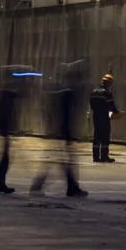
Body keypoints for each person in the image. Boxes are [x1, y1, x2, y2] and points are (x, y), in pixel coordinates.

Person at [30, 64, 88, 197]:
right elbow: (66, 115)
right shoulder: (68, 93)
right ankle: (68, 187)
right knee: (63, 161)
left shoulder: (62, 91)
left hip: (59, 132)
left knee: (59, 161)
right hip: (63, 132)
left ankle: (69, 186)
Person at [0, 72, 19, 195]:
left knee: (5, 158)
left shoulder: (5, 96)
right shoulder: (6, 96)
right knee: (5, 158)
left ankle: (0, 184)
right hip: (4, 130)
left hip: (4, 129)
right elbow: (4, 115)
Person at [88, 73, 119, 162]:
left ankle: (96, 157)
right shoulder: (106, 93)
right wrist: (117, 113)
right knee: (105, 137)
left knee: (97, 136)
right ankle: (104, 156)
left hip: (96, 116)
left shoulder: (94, 91)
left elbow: (91, 103)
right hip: (104, 117)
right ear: (109, 83)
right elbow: (111, 106)